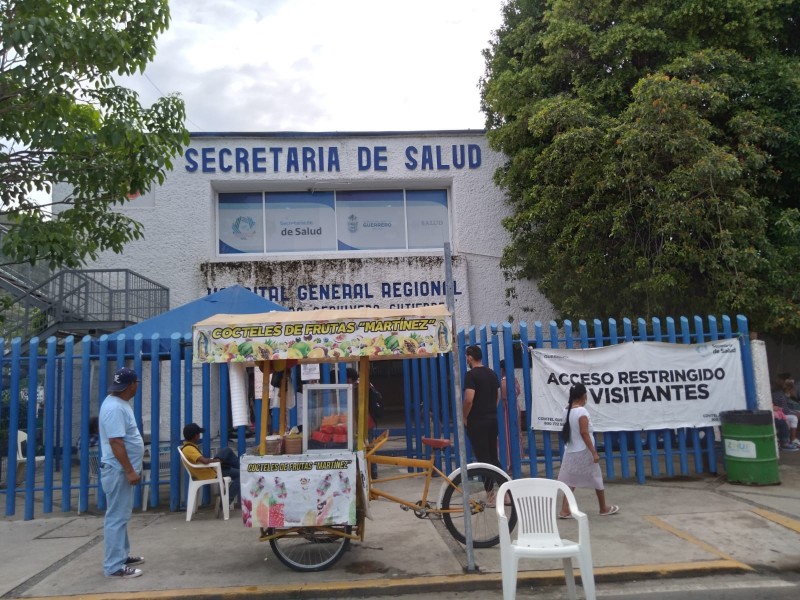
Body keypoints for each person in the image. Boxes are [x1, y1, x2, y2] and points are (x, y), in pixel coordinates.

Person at [98, 367, 145, 579]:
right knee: (116, 517)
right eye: (137, 383)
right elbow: (116, 442)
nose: (138, 386)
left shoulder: (118, 403)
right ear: (131, 385)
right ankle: (114, 566)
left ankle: (121, 555)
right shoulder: (115, 408)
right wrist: (129, 470)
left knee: (121, 515)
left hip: (120, 470)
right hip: (118, 470)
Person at [557, 383, 619, 518]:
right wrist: (594, 452)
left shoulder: (565, 410)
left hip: (571, 450)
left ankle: (564, 509)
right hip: (584, 450)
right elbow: (584, 433)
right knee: (597, 478)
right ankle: (603, 508)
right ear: (584, 396)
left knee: (570, 480)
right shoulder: (582, 412)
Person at [462, 345, 502, 502]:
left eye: (466, 356)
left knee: (483, 459)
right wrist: (490, 409)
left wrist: (464, 416)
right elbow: (497, 395)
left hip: (477, 421)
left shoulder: (470, 375)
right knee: (493, 457)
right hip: (492, 419)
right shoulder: (492, 373)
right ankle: (507, 491)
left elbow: (469, 399)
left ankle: (490, 496)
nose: (466, 359)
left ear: (470, 357)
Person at [180, 423, 241, 504]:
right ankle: (226, 500)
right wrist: (217, 461)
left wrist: (217, 461)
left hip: (211, 469)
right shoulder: (189, 449)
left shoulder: (189, 446)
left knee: (227, 450)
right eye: (199, 434)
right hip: (210, 473)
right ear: (195, 436)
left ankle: (243, 469)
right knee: (241, 475)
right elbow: (204, 461)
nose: (199, 435)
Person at [346, 367, 379, 479]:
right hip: (370, 420)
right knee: (370, 446)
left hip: (364, 421)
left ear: (349, 379)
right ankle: (372, 470)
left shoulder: (356, 388)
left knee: (366, 447)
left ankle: (371, 471)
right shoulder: (365, 383)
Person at [499, 359, 522, 468]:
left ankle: (507, 462)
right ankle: (515, 462)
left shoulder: (503, 382)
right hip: (515, 408)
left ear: (502, 369)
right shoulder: (514, 379)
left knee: (506, 436)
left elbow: (502, 397)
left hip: (505, 410)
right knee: (516, 434)